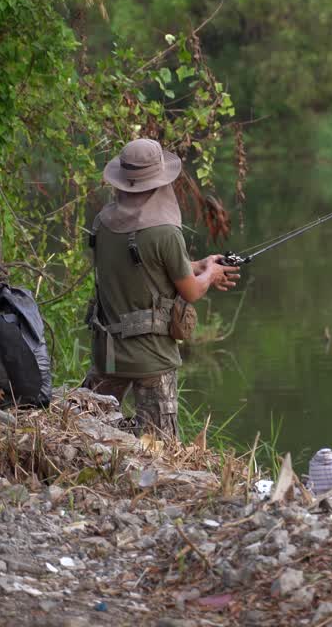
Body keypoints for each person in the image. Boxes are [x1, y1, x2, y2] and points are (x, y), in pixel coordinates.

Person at [87, 138, 239, 439]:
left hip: (108, 355)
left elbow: (143, 266)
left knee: (93, 438)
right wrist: (210, 274)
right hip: (152, 360)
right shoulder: (166, 232)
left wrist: (198, 265)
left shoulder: (102, 222)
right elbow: (191, 292)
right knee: (159, 449)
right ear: (158, 182)